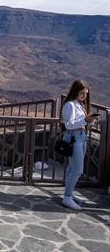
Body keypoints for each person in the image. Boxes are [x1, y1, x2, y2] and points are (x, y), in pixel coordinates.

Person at [60, 80, 98, 211]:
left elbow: (80, 123)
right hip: (74, 138)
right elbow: (69, 124)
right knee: (77, 170)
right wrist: (85, 120)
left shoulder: (80, 105)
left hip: (81, 137)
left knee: (72, 168)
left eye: (86, 94)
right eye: (82, 93)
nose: (84, 96)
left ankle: (69, 193)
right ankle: (67, 197)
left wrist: (89, 121)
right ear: (75, 91)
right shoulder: (70, 105)